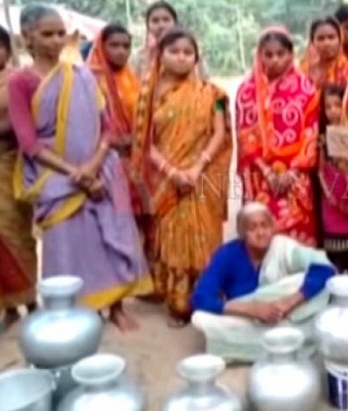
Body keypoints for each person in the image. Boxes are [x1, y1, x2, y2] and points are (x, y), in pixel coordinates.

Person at [8, 5, 150, 331]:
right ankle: (76, 311)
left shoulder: (82, 75)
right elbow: (29, 143)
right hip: (55, 178)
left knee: (111, 237)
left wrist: (94, 165)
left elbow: (107, 126)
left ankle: (115, 307)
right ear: (27, 37)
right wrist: (77, 174)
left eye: (60, 33)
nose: (56, 40)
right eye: (47, 34)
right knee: (69, 246)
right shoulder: (22, 82)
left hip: (101, 168)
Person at [133, 28, 232, 327]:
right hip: (166, 179)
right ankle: (179, 304)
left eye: (188, 53)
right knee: (172, 240)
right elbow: (143, 141)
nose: (181, 58)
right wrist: (172, 172)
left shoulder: (212, 93)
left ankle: (207, 296)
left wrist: (196, 167)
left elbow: (220, 133)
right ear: (160, 55)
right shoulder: (148, 95)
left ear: (196, 57)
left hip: (201, 176)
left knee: (205, 239)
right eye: (174, 51)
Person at [191, 202, 335, 363]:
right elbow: (200, 297)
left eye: (264, 226)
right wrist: (252, 309)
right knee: (201, 316)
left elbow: (324, 267)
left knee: (309, 282)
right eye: (252, 228)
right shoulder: (227, 255)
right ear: (242, 233)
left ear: (272, 227)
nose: (260, 233)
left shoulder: (282, 246)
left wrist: (289, 302)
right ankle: (285, 342)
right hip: (246, 318)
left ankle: (254, 345)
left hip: (283, 314)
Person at [236, 27, 318, 246]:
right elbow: (245, 137)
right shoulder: (246, 92)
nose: (275, 60)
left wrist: (293, 170)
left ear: (291, 54)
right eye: (268, 54)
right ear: (259, 55)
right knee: (261, 234)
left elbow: (312, 133)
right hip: (260, 175)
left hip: (296, 176)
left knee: (297, 237)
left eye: (281, 54)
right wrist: (267, 172)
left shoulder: (306, 89)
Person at [0, 23, 37, 325]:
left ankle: (31, 301)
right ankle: (5, 305)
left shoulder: (18, 80)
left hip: (8, 164)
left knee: (14, 232)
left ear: (8, 49)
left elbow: (21, 123)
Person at [88, 24, 142, 214]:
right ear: (101, 46)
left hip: (135, 156)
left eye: (126, 46)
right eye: (114, 45)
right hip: (103, 159)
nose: (121, 51)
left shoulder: (132, 78)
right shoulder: (89, 78)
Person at [318, 84, 348, 273]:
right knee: (335, 255)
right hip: (331, 201)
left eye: (337, 105)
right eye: (328, 107)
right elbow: (320, 170)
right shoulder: (322, 138)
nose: (333, 111)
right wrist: (330, 196)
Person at [300, 15, 348, 88]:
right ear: (312, 42)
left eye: (331, 37)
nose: (326, 43)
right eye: (320, 38)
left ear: (340, 40)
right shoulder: (303, 69)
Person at [132, 1, 178, 78]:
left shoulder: (188, 51)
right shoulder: (140, 56)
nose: (161, 25)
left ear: (175, 23)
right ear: (148, 26)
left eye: (166, 20)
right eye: (155, 21)